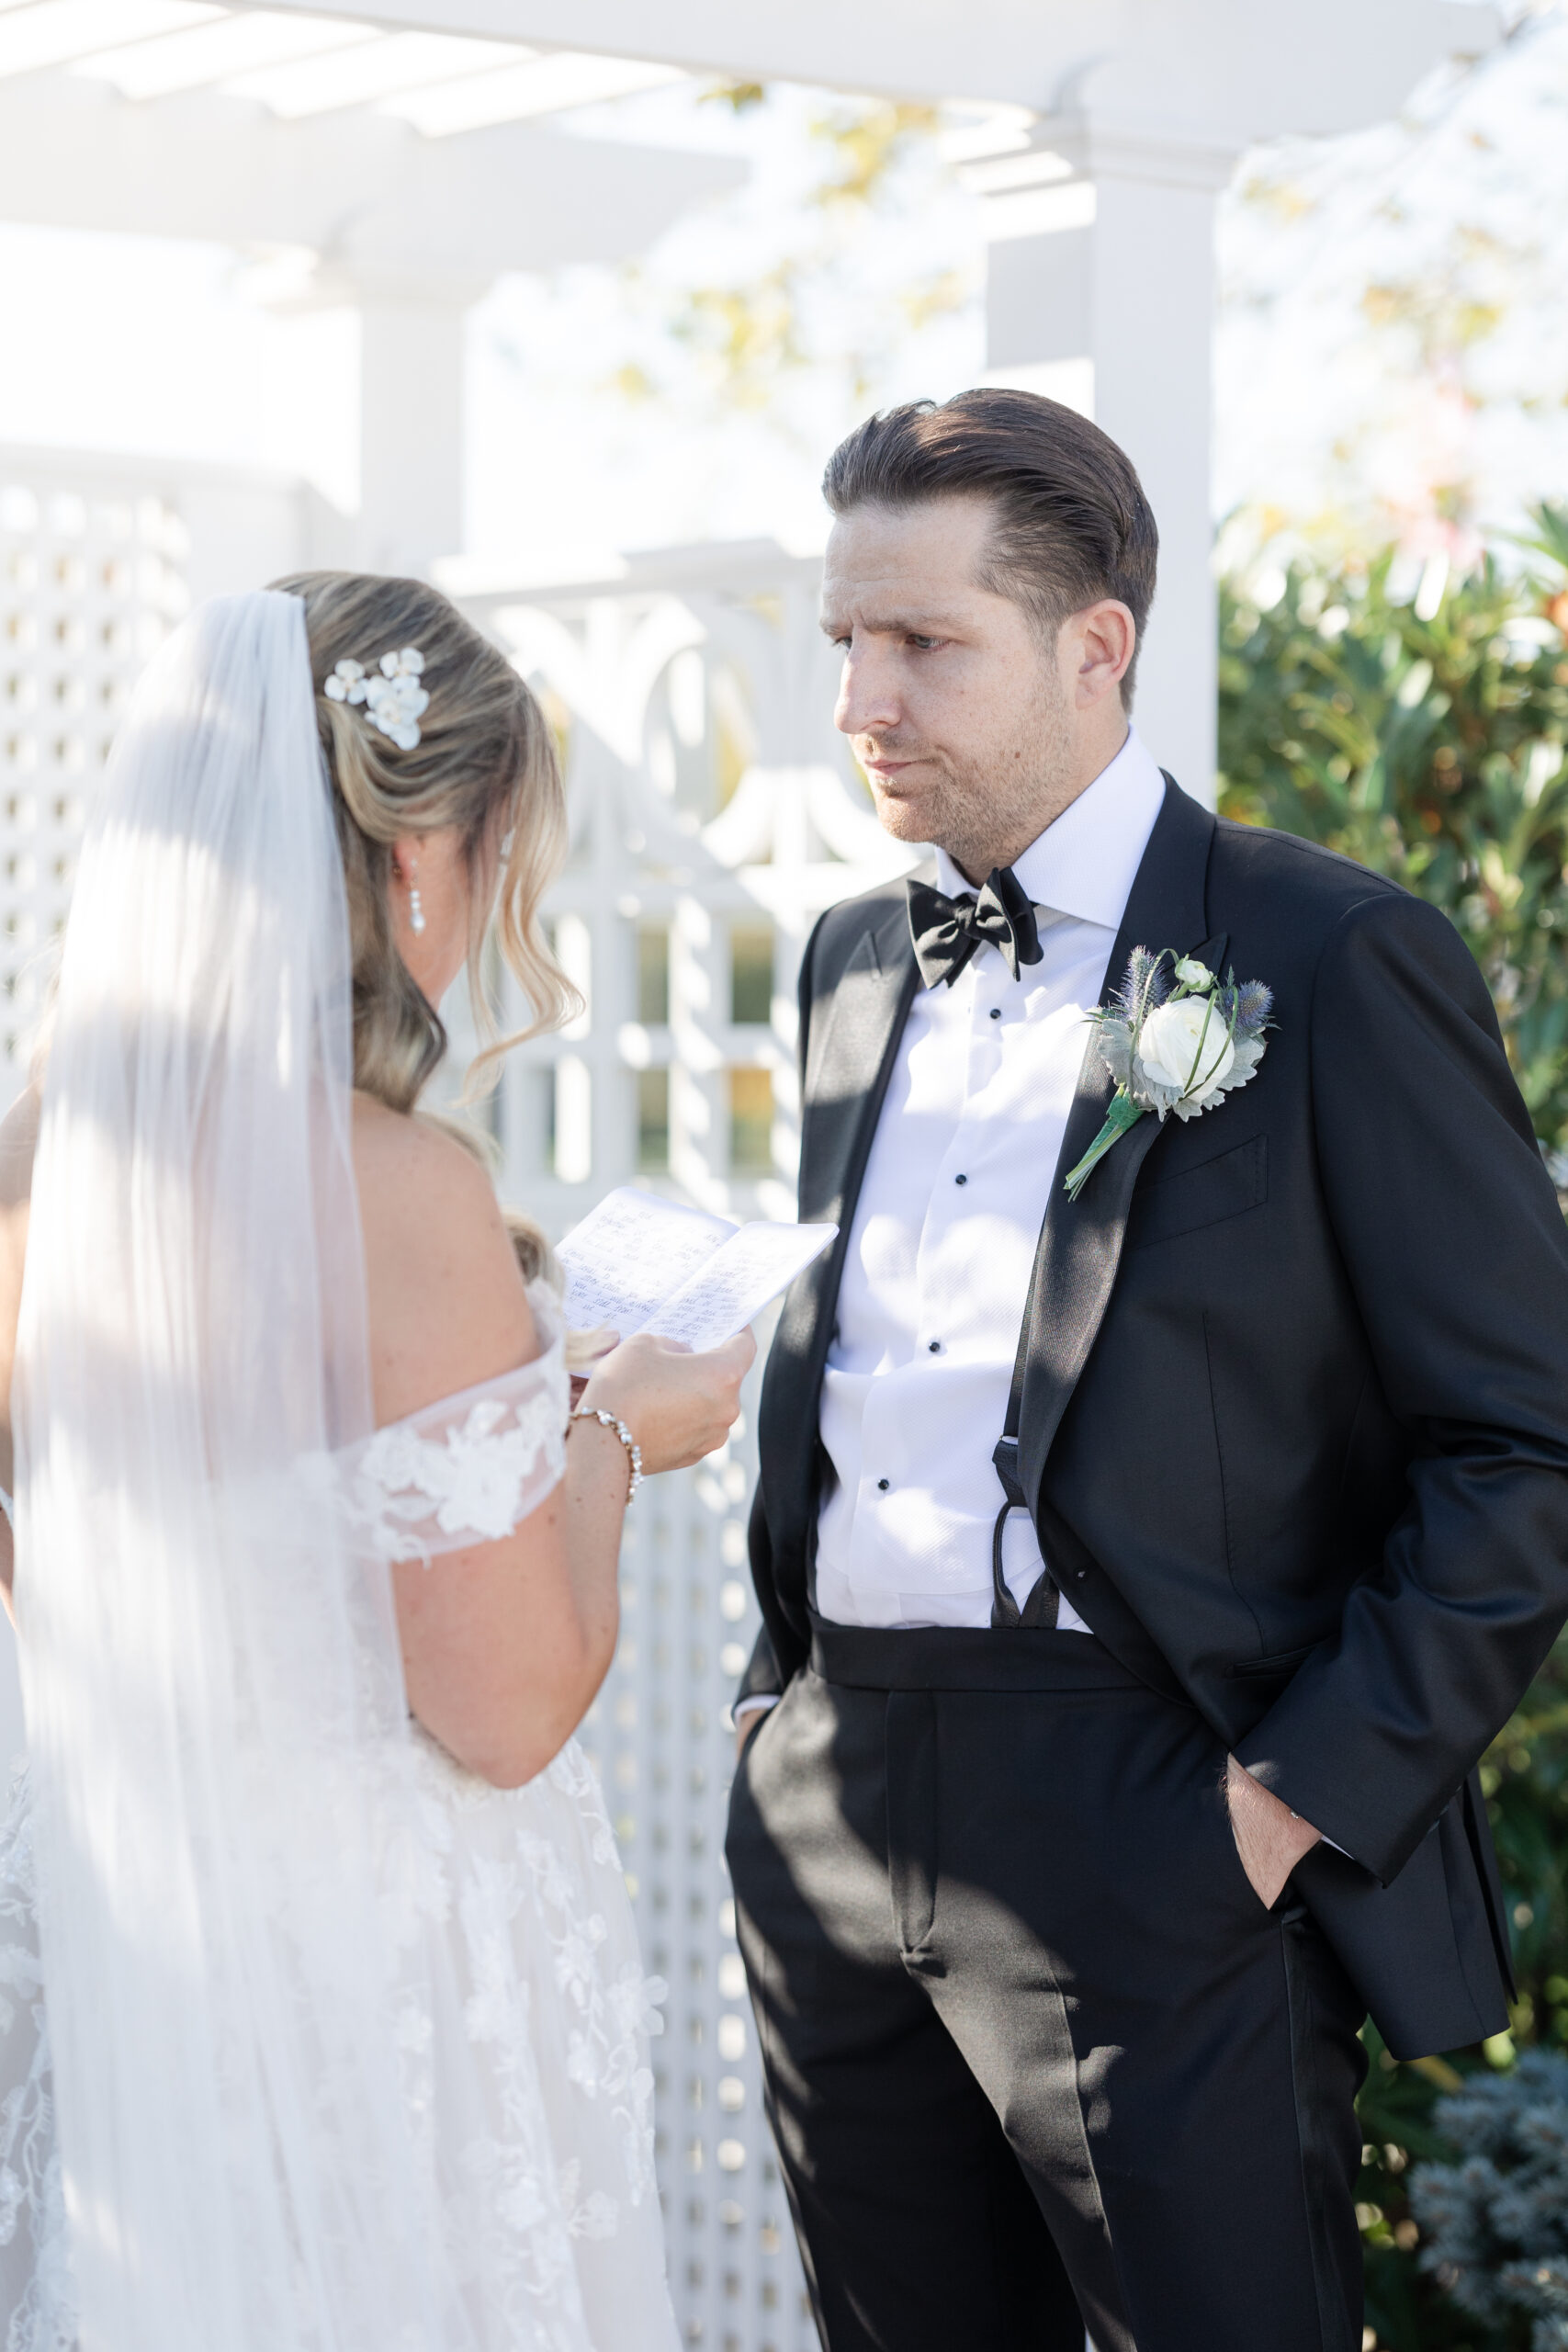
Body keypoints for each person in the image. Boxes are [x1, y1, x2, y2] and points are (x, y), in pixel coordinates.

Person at [724, 390, 1568, 2352]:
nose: (861, 695)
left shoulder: (1325, 953)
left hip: (1158, 1811)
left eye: (922, 642)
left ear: (1093, 645)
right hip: (835, 1806)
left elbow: (1524, 1437)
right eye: (843, 638)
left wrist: (1279, 1803)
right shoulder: (853, 955)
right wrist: (776, 1736)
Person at [0, 573, 752, 2350]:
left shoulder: (41, 1156)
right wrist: (609, 1433)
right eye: (505, 856)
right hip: (373, 1990)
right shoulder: (399, 1191)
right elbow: (501, 1714)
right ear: (425, 854)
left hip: (145, 1960)